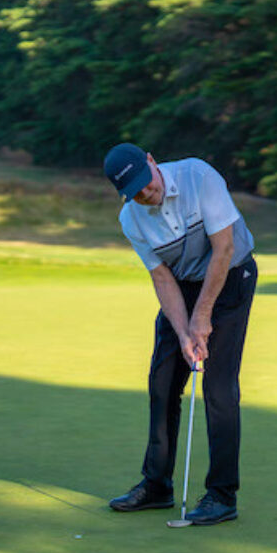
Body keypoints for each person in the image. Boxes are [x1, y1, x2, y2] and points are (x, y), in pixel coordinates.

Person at [103, 142, 257, 526]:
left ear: (151, 161)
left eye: (147, 182)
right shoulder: (131, 219)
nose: (146, 193)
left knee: (218, 389)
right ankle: (157, 485)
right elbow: (162, 278)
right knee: (163, 382)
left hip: (231, 277)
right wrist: (183, 331)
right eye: (135, 192)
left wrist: (201, 318)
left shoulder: (197, 176)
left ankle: (222, 495)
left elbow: (224, 249)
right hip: (183, 286)